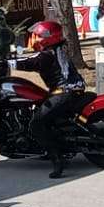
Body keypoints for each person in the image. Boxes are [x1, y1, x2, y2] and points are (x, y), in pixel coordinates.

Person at [16, 19, 90, 178]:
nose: (35, 39)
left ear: (48, 37)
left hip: (64, 93)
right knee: (43, 113)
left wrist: (6, 63)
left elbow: (29, 63)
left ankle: (57, 159)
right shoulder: (58, 49)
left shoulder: (47, 55)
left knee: (36, 124)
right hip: (73, 90)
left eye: (38, 36)